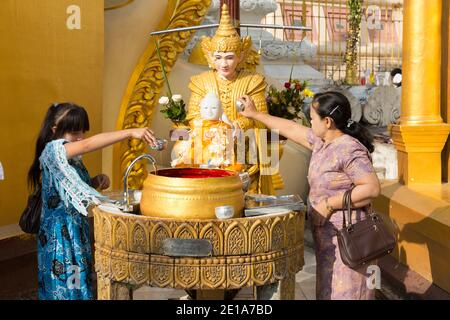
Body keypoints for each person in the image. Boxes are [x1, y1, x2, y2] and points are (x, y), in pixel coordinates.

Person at [238, 91, 381, 300]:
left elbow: (371, 188)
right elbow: (291, 129)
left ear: (328, 121)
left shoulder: (349, 149)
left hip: (350, 239)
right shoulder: (322, 141)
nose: (309, 122)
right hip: (328, 240)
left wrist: (329, 205)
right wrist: (256, 114)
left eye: (312, 118)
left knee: (348, 294)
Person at [27, 102, 156, 300]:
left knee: (77, 280)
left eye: (82, 133)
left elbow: (69, 189)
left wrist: (95, 181)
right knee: (65, 285)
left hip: (75, 231)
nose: (80, 139)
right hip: (60, 237)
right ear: (55, 130)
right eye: (74, 133)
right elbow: (88, 145)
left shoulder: (71, 159)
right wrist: (130, 132)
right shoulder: (53, 151)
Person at [183, 4, 278, 194]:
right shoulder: (201, 82)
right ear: (210, 57)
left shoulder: (253, 82)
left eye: (229, 57)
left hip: (242, 143)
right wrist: (214, 130)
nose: (224, 63)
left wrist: (237, 126)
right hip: (209, 143)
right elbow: (193, 116)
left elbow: (260, 118)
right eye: (218, 57)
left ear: (240, 56)